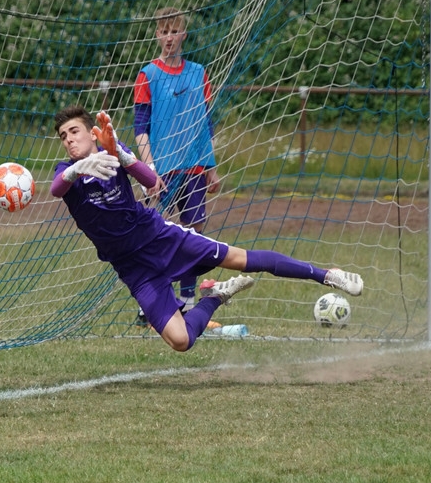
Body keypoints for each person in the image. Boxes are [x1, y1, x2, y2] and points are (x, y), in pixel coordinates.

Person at [50, 105, 363, 353]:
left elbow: (151, 182)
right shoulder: (66, 172)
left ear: (92, 133)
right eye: (63, 136)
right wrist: (77, 170)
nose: (69, 139)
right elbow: (56, 189)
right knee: (180, 341)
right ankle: (215, 296)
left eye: (74, 131)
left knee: (241, 259)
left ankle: (327, 275)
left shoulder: (112, 154)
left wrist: (121, 154)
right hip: (133, 268)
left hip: (160, 238)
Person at [133, 7, 219, 315]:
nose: (169, 37)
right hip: (163, 171)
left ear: (184, 34)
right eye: (164, 31)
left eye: (174, 31)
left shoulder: (198, 73)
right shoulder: (148, 75)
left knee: (193, 234)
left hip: (194, 167)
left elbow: (207, 125)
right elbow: (140, 128)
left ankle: (188, 303)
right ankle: (153, 302)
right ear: (157, 35)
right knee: (159, 235)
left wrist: (211, 168)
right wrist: (149, 169)